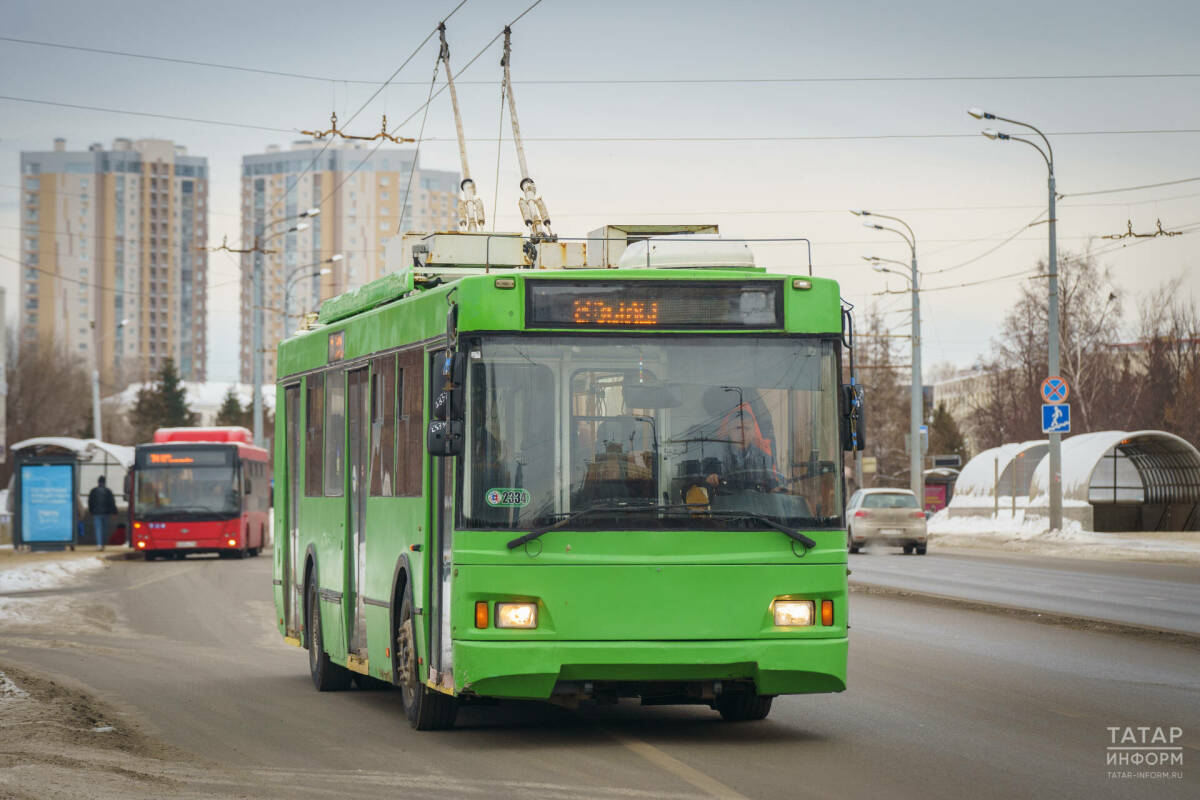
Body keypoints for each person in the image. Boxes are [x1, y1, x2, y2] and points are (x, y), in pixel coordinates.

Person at [700, 386, 779, 493]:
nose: (743, 433)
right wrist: (710, 479)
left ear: (753, 432)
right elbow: (703, 481)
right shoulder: (714, 454)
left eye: (747, 428)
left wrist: (777, 489)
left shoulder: (764, 458)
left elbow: (773, 487)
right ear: (729, 430)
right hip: (724, 507)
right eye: (738, 428)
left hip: (756, 507)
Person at [87, 475, 117, 551]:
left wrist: (91, 511)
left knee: (98, 529)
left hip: (96, 513)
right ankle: (103, 544)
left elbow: (90, 502)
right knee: (105, 529)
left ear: (98, 482)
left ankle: (99, 544)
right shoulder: (108, 491)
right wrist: (114, 512)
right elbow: (112, 502)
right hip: (106, 513)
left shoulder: (93, 491)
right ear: (104, 482)